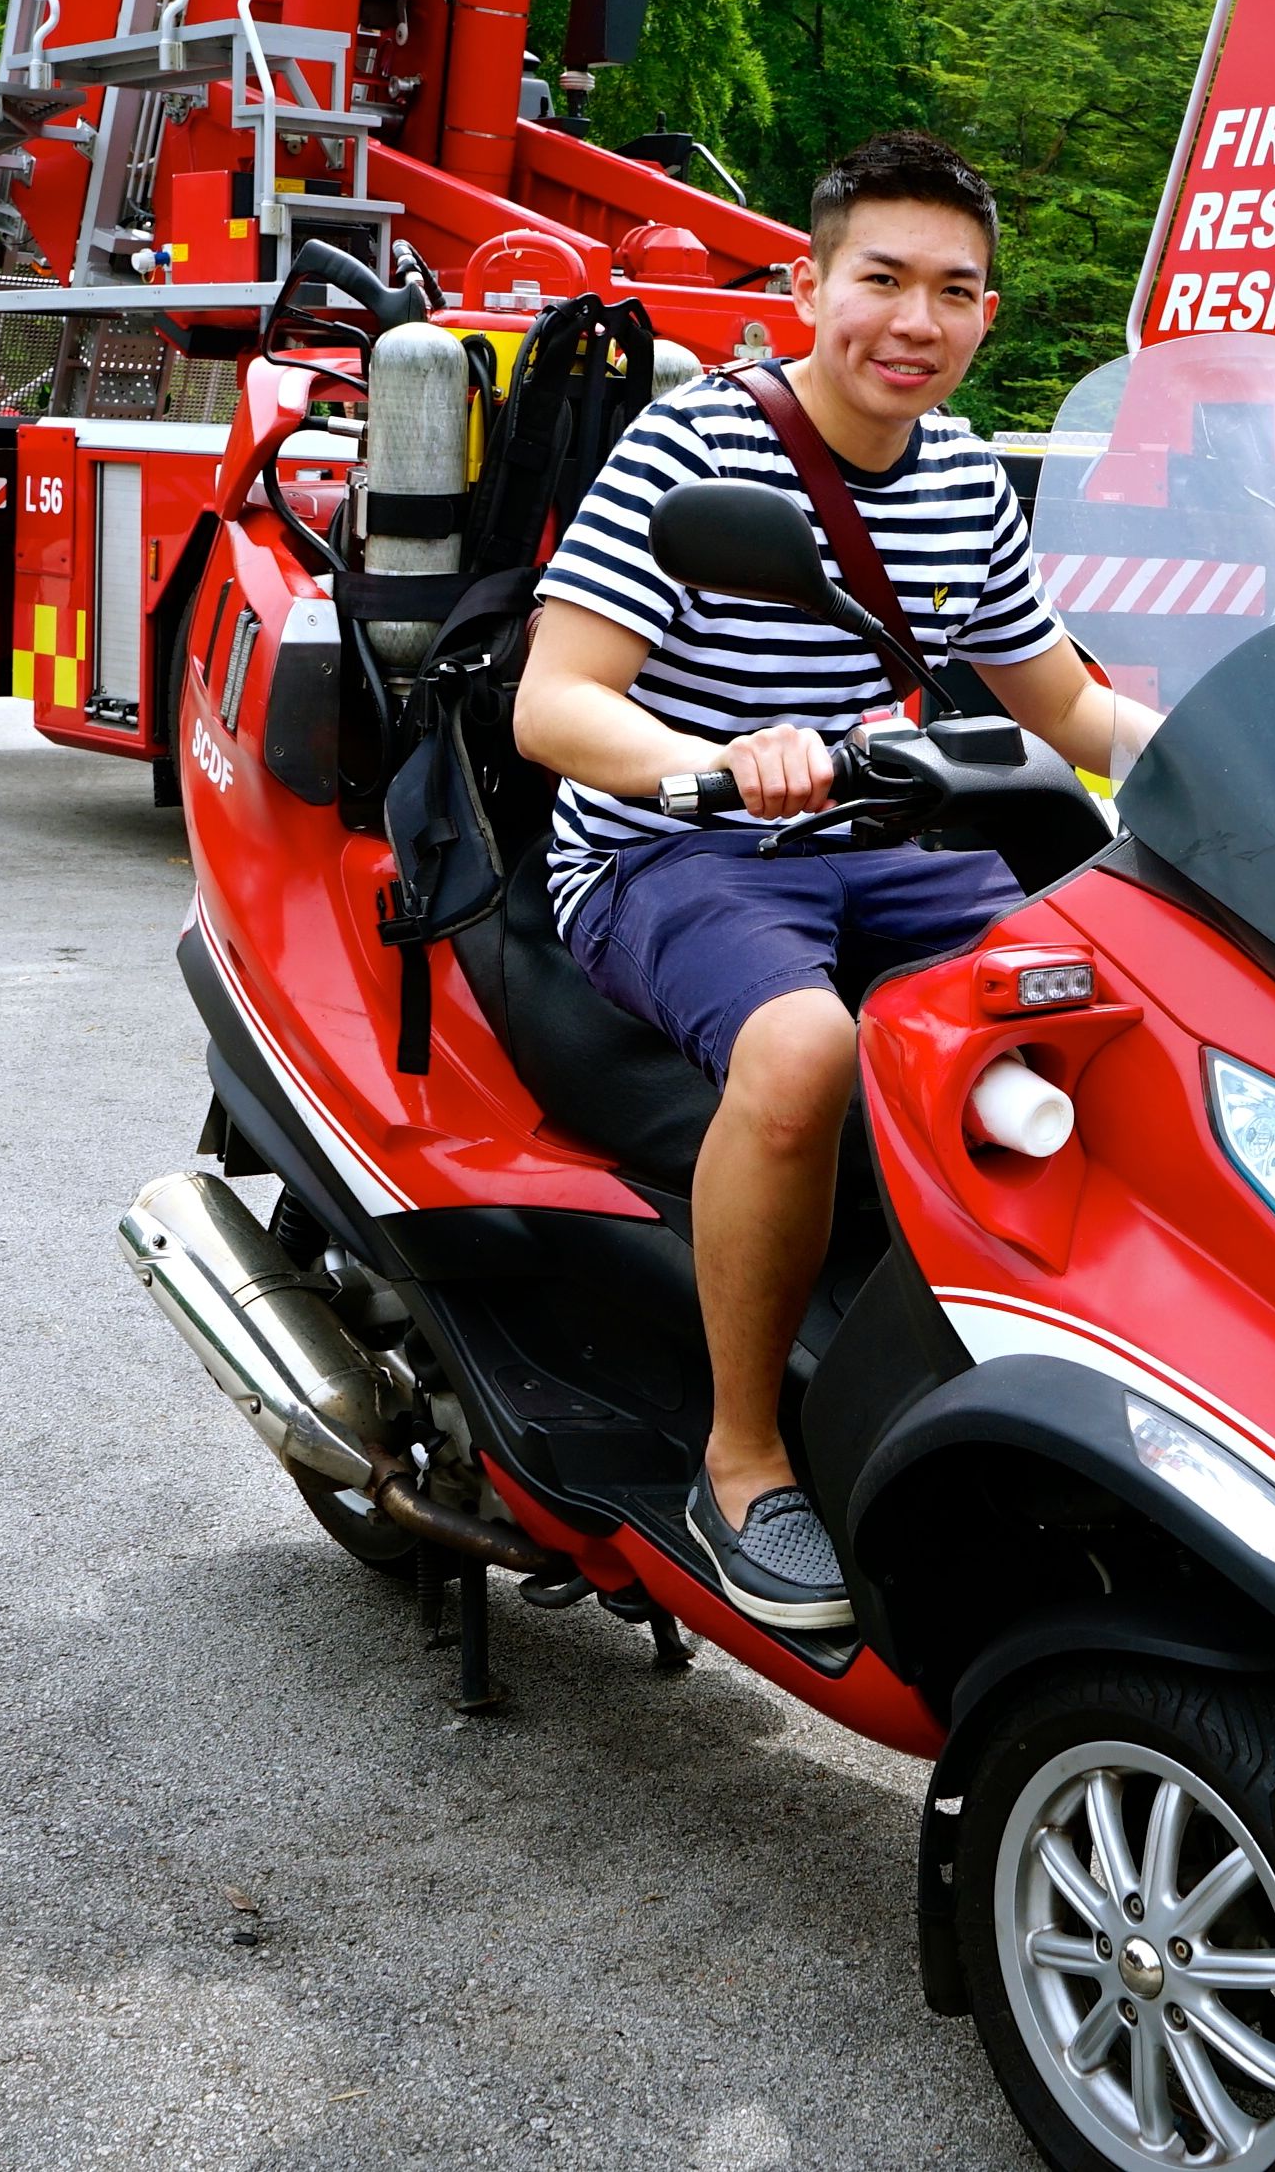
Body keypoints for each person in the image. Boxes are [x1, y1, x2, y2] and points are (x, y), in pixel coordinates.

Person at [513, 130, 1156, 1632]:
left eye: (954, 290)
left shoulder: (962, 478)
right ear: (808, 286)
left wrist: (1245, 760)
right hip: (670, 844)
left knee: (1131, 1001)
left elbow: (1065, 704)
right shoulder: (692, 449)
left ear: (987, 312)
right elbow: (555, 705)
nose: (915, 321)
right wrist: (719, 758)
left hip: (886, 836)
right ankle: (741, 1460)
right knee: (803, 1049)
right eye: (882, 279)